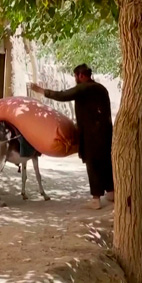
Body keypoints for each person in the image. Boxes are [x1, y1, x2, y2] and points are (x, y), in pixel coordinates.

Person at [30, 64, 114, 210]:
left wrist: (41, 91)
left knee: (92, 164)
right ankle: (111, 192)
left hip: (91, 134)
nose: (75, 79)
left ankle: (96, 199)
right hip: (105, 133)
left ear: (81, 76)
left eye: (75, 76)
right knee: (106, 162)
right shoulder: (101, 88)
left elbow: (62, 95)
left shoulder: (83, 88)